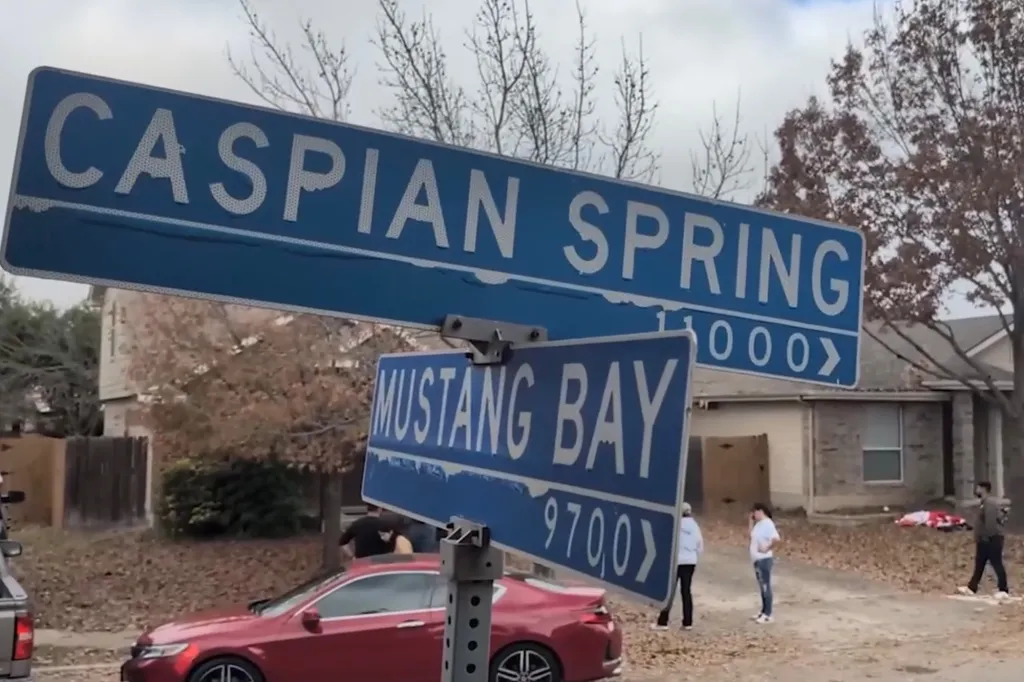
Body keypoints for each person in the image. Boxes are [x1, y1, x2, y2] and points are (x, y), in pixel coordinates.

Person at [652, 502, 703, 631]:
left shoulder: (675, 525)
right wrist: (695, 557)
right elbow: (700, 545)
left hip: (675, 561)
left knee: (669, 592)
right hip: (690, 561)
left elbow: (667, 542)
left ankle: (663, 622)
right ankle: (687, 622)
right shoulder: (695, 526)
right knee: (686, 591)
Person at [958, 481, 1009, 599]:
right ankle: (972, 587)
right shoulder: (984, 503)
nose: (976, 490)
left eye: (978, 488)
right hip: (984, 539)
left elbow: (990, 523)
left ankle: (1003, 589)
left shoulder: (989, 503)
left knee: (996, 562)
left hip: (992, 538)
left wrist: (988, 537)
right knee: (979, 564)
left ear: (984, 489)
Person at [749, 502, 780, 624]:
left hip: (764, 559)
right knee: (762, 586)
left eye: (754, 512)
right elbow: (751, 535)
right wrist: (750, 522)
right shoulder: (759, 524)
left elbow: (776, 539)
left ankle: (768, 613)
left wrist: (766, 548)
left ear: (760, 511)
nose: (753, 515)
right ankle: (763, 610)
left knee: (765, 586)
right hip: (757, 559)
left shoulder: (768, 524)